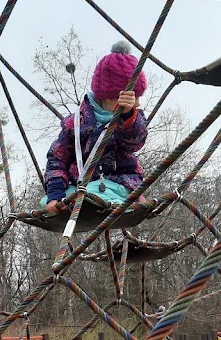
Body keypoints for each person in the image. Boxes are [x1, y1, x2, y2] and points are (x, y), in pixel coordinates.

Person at [43, 41, 148, 213]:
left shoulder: (131, 118)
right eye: (131, 97)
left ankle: (128, 201)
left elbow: (135, 142)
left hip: (121, 182)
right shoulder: (75, 123)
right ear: (109, 96)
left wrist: (128, 114)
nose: (136, 103)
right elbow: (57, 159)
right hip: (83, 186)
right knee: (51, 202)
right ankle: (87, 203)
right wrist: (54, 195)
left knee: (90, 195)